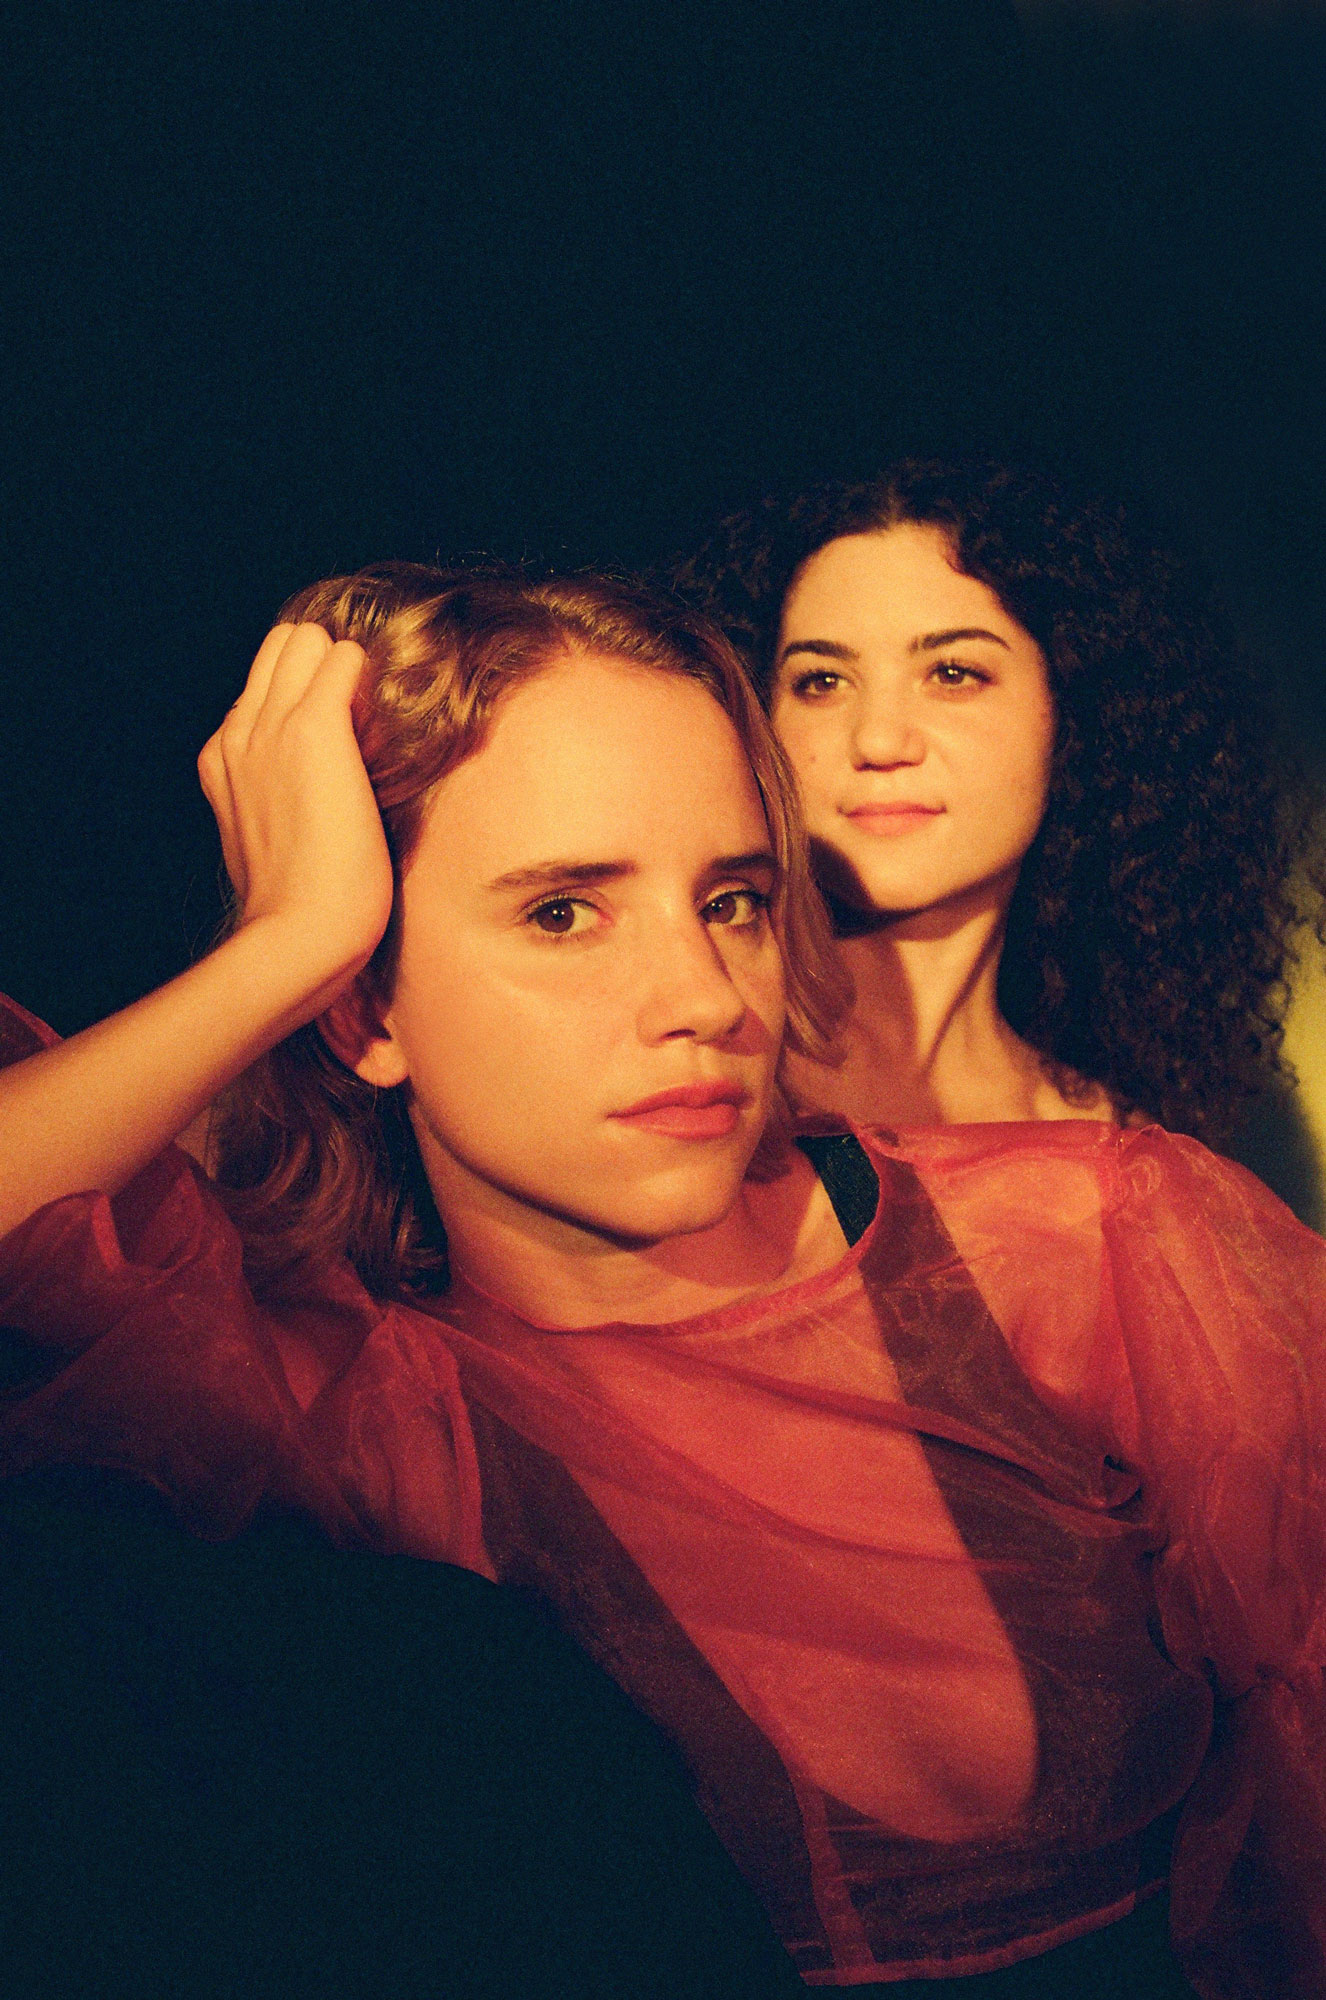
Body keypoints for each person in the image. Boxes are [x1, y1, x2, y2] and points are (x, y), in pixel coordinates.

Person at [0, 564, 1322, 1998]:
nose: (705, 997)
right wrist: (289, 939)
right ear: (364, 1006)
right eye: (564, 913)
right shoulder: (379, 1423)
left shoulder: (1085, 1242)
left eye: (734, 900)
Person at [671, 458, 1325, 1140]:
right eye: (822, 681)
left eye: (953, 673)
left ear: (1075, 712)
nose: (878, 740)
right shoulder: (694, 1066)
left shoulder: (1123, 1162)